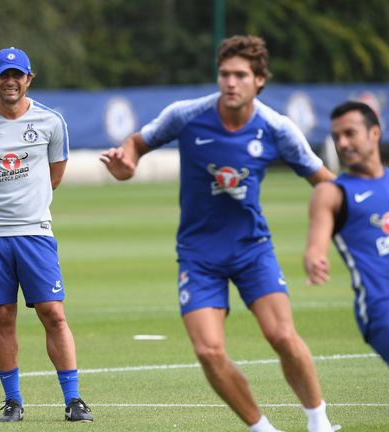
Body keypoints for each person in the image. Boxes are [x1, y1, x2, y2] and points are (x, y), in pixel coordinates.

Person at [100, 35, 338, 432]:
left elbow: (328, 186)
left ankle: (319, 422)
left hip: (252, 249)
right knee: (209, 351)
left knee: (281, 335)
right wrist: (126, 164)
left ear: (259, 80)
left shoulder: (277, 129)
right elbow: (136, 144)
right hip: (198, 254)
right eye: (225, 74)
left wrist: (325, 240)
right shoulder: (187, 115)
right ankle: (262, 429)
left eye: (241, 75)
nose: (230, 82)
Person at [0, 47, 93, 423]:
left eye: (18, 75)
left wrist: (29, 207)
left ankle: (74, 399)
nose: (11, 81)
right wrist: (0, 208)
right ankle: (13, 401)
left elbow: (56, 174)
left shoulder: (51, 122)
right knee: (2, 315)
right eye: (5, 75)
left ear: (29, 79)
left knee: (53, 313)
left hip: (35, 232)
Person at [304, 100, 389, 390]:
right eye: (337, 136)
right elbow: (316, 245)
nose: (342, 143)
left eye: (350, 133)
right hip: (386, 307)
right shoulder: (332, 193)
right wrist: (314, 259)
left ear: (374, 133)